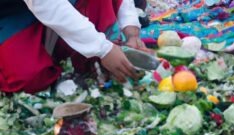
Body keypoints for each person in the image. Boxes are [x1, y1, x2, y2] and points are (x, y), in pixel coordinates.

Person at [0, 0, 146, 94]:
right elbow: (46, 4)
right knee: (29, 80)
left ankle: (94, 53)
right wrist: (102, 48)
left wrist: (131, 30)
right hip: (13, 11)